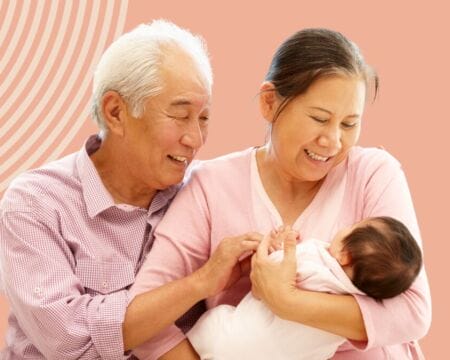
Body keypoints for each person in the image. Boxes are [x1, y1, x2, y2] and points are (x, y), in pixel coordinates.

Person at [129, 28, 431, 359]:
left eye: (349, 125)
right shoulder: (211, 187)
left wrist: (286, 301)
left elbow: (413, 311)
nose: (332, 141)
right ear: (269, 102)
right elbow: (142, 324)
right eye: (319, 118)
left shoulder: (372, 174)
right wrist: (203, 282)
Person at [0, 20, 263, 359]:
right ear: (115, 112)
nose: (195, 139)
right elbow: (66, 340)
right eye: (180, 115)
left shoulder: (204, 193)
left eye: (204, 118)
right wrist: (197, 283)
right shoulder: (35, 203)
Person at [187, 216, 423, 360]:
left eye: (351, 227)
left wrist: (275, 247)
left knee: (216, 318)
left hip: (225, 341)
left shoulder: (313, 258)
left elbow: (264, 283)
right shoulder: (353, 309)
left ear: (344, 255)